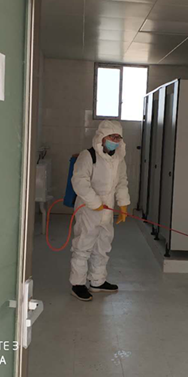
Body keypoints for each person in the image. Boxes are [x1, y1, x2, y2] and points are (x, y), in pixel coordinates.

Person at [69, 120, 130, 302]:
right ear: (101, 137)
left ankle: (97, 281)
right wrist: (94, 202)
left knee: (103, 246)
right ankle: (78, 284)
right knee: (83, 245)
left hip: (107, 210)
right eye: (111, 136)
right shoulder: (88, 156)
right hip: (88, 209)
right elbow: (79, 181)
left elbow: (122, 182)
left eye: (118, 137)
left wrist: (123, 204)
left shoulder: (119, 159)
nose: (115, 140)